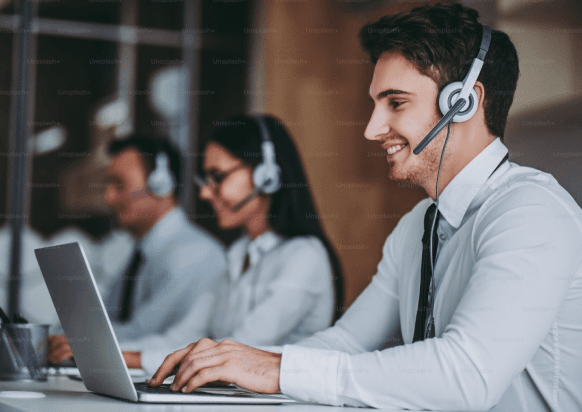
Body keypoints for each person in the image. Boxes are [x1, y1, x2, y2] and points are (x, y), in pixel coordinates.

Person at [146, 4, 582, 411]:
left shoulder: (530, 212)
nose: (373, 129)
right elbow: (348, 343)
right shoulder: (420, 225)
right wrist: (227, 360)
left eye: (395, 103)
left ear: (463, 103)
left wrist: (276, 369)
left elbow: (467, 374)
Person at [119, 114, 344, 374]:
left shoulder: (304, 256)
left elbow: (239, 347)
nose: (205, 192)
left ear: (266, 175)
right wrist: (112, 353)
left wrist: (129, 359)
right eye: (205, 179)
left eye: (218, 176)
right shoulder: (237, 256)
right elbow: (180, 337)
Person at [48, 135, 227, 367]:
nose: (108, 197)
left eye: (119, 184)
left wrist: (81, 343)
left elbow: (141, 333)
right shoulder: (139, 254)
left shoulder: (194, 254)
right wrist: (63, 337)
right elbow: (106, 321)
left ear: (161, 183)